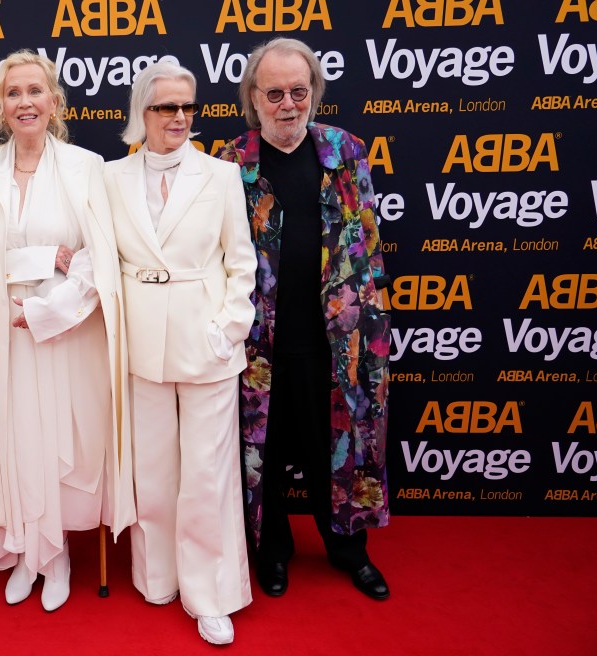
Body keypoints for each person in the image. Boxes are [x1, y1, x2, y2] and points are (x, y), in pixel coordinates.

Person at [0, 49, 135, 613]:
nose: (25, 102)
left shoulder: (86, 167)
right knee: (14, 441)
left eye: (35, 91)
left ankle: (57, 558)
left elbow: (99, 262)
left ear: (54, 101)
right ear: (1, 106)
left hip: (65, 332)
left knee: (58, 443)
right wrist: (42, 258)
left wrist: (45, 311)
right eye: (13, 93)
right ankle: (26, 554)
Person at [218, 36, 392, 602]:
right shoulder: (230, 163)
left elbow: (367, 240)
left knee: (335, 449)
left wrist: (370, 326)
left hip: (336, 340)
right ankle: (272, 553)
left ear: (314, 91)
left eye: (299, 90)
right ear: (253, 97)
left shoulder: (345, 149)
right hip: (258, 340)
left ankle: (348, 551)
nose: (288, 103)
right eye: (275, 93)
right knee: (261, 454)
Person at [103, 62, 256, 645]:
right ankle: (158, 575)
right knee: (154, 471)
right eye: (166, 107)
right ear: (142, 112)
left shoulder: (219, 176)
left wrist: (227, 330)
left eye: (187, 107)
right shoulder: (111, 178)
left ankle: (212, 592)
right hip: (140, 345)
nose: (179, 118)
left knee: (207, 475)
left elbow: (241, 263)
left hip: (207, 343)